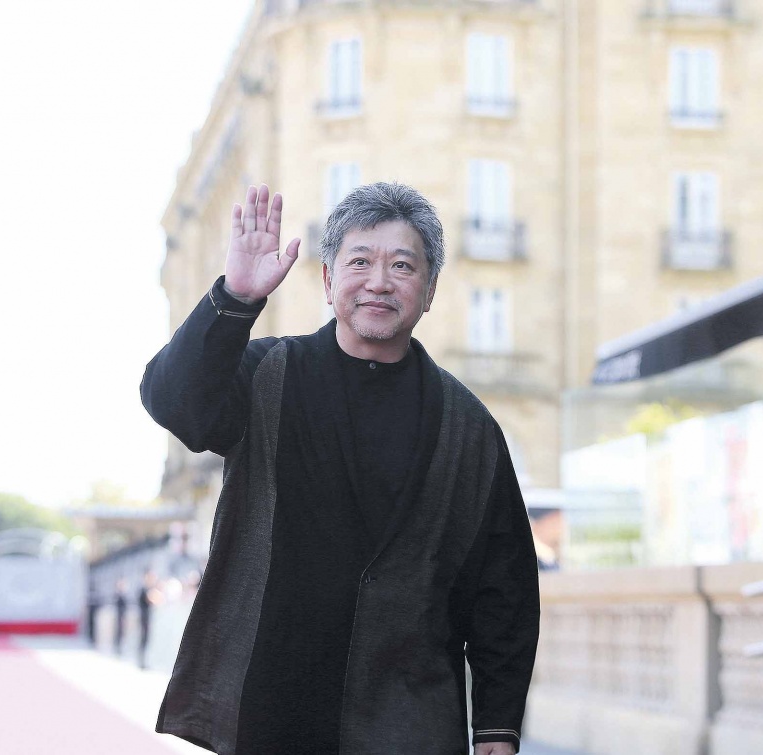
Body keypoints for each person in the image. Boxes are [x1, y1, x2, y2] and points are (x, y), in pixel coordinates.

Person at [141, 183, 540, 755]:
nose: (379, 281)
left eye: (402, 265)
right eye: (360, 262)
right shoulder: (266, 373)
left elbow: (505, 586)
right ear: (327, 281)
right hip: (269, 706)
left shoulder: (468, 426)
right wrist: (235, 299)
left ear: (429, 291)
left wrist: (498, 725)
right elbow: (172, 401)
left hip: (408, 718)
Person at [137, 569, 164, 669]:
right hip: (145, 619)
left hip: (148, 618)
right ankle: (142, 661)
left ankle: (145, 661)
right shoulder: (144, 590)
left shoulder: (148, 589)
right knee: (144, 640)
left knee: (147, 640)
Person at [114, 578, 128, 655]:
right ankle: (118, 647)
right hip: (119, 616)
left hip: (122, 615)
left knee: (122, 632)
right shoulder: (117, 595)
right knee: (119, 632)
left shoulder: (123, 595)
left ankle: (120, 646)